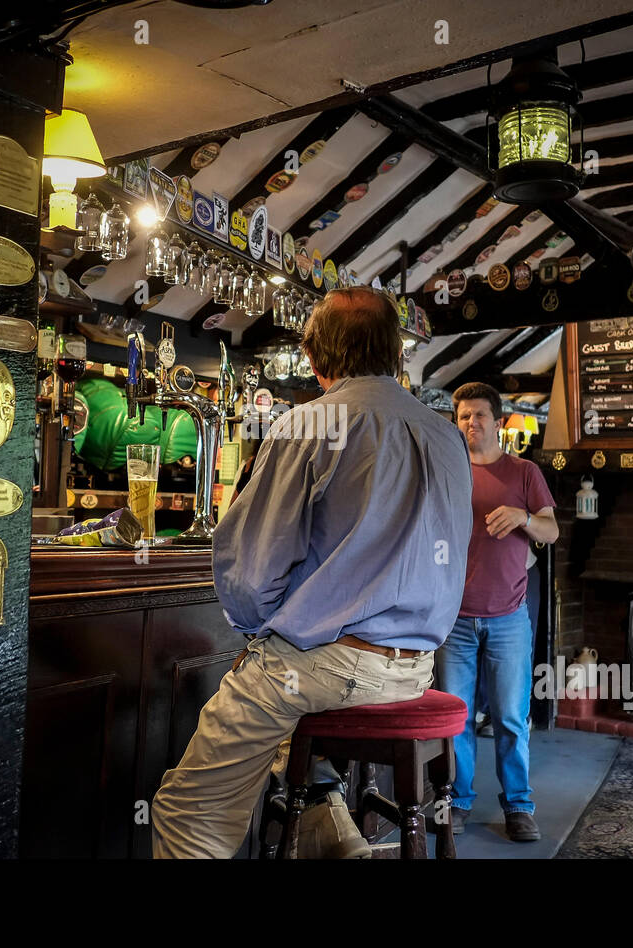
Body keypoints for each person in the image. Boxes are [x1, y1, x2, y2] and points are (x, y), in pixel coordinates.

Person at [152, 287, 473, 858]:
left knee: (187, 810)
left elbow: (250, 576)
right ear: (396, 355)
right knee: (288, 685)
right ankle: (333, 832)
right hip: (414, 671)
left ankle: (324, 822)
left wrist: (267, 628)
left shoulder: (309, 423)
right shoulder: (446, 434)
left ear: (313, 356)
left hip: (332, 667)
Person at [438, 382, 557, 842]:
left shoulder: (524, 472)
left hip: (509, 617)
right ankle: (459, 800)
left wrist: (523, 518)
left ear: (498, 420)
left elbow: (552, 531)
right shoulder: (448, 472)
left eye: (480, 415)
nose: (471, 424)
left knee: (510, 716)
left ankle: (519, 807)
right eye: (464, 416)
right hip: (455, 620)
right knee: (458, 719)